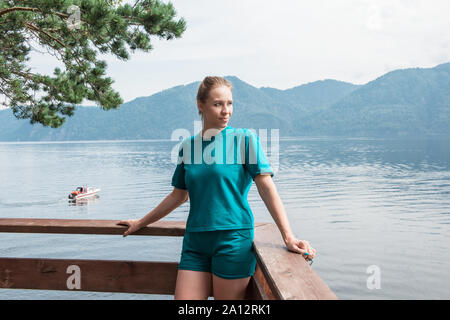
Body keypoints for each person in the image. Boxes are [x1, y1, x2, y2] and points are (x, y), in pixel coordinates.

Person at [118, 76, 316, 300]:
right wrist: (140, 222)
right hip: (195, 242)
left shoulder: (244, 139)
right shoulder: (188, 146)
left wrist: (288, 237)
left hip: (232, 239)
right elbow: (178, 195)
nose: (226, 111)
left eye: (229, 103)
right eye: (218, 104)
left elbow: (266, 188)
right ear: (200, 105)